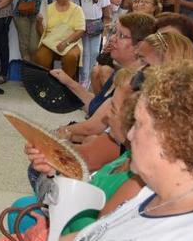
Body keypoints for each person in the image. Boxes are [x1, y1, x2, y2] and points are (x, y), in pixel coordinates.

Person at [62, 61, 193, 241]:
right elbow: (98, 233)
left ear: (173, 138)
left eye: (139, 124)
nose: (130, 134)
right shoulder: (165, 186)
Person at [14, 68, 144, 239]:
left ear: (135, 120)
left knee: (19, 213)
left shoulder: (136, 181)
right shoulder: (127, 156)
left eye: (112, 110)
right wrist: (53, 173)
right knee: (21, 206)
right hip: (67, 222)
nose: (106, 118)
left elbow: (94, 233)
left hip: (70, 227)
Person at [53, 13, 155, 142]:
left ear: (139, 46)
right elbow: (96, 105)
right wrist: (68, 82)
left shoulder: (132, 83)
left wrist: (57, 132)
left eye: (121, 36)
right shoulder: (122, 71)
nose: (112, 38)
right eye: (114, 32)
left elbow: (93, 128)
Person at [33, 0, 85, 80]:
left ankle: (67, 85)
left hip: (71, 42)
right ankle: (46, 84)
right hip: (50, 41)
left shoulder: (77, 9)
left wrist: (66, 42)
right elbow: (41, 32)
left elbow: (80, 31)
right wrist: (39, 22)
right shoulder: (48, 8)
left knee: (71, 57)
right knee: (41, 56)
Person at [73, 0, 112, 87]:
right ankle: (84, 79)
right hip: (81, 22)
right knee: (84, 52)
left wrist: (107, 21)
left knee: (95, 51)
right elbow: (73, 4)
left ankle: (92, 77)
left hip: (95, 21)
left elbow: (105, 1)